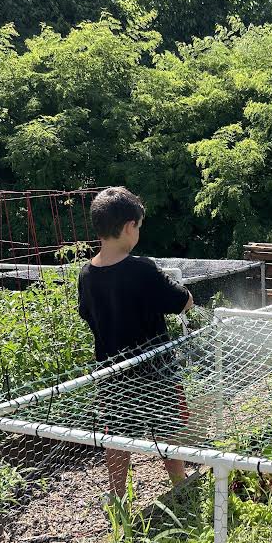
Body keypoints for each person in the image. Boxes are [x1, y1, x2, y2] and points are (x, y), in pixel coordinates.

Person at [78, 186, 193, 499]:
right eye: (139, 226)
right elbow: (182, 301)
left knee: (117, 437)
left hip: (112, 373)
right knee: (167, 429)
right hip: (155, 370)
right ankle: (180, 486)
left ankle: (118, 499)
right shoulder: (142, 269)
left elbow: (86, 313)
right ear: (130, 226)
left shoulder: (87, 274)